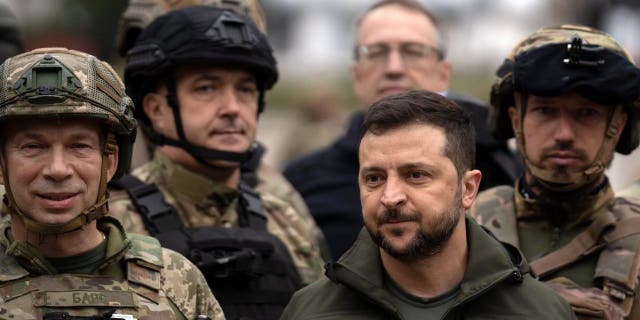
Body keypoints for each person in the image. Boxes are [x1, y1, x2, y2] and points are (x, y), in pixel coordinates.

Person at [108, 6, 325, 320]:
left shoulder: (287, 219)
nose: (232, 109)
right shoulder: (110, 221)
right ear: (156, 109)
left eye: (246, 90)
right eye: (206, 88)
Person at [282, 90, 575, 319]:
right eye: (374, 178)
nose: (390, 196)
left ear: (468, 188)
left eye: (416, 175)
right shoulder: (312, 311)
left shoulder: (538, 311)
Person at [283, 0, 520, 259]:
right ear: (357, 74)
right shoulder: (301, 183)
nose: (394, 67)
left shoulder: (501, 167)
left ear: (443, 73)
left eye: (413, 51)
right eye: (376, 52)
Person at [0, 47, 223, 319]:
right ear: (2, 165)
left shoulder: (177, 283)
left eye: (79, 146)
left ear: (111, 162)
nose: (58, 170)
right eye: (33, 147)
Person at [470, 24, 640, 319]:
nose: (564, 134)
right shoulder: (464, 231)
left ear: (617, 127)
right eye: (545, 111)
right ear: (515, 121)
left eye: (586, 113)